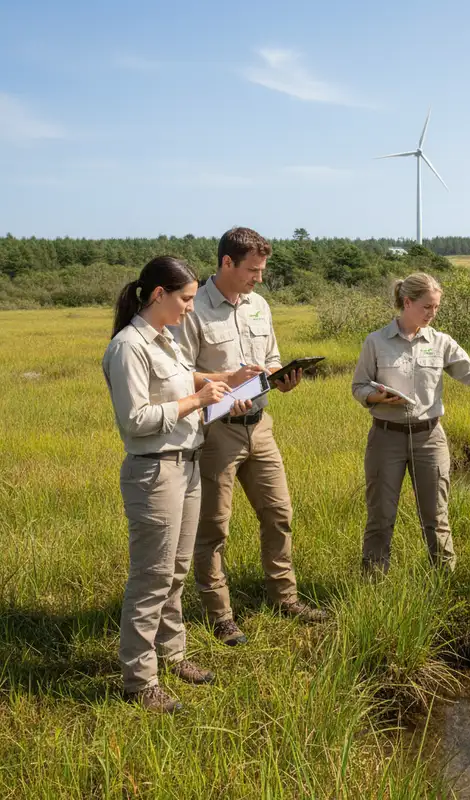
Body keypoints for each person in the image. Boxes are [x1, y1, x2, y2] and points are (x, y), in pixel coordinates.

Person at [179, 226, 327, 647]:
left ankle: (285, 599)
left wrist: (282, 377)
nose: (259, 279)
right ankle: (220, 616)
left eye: (262, 271)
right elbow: (178, 374)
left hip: (260, 427)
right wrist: (228, 378)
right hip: (216, 431)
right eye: (252, 270)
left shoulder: (259, 306)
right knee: (214, 527)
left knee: (279, 514)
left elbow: (271, 359)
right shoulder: (192, 308)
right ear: (227, 263)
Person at [103, 256, 239, 713]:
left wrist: (227, 384)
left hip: (187, 467)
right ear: (159, 294)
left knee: (176, 570)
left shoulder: (169, 339)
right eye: (185, 298)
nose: (190, 307)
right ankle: (140, 681)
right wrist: (197, 400)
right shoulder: (128, 347)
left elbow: (186, 382)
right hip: (154, 473)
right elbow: (136, 419)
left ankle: (173, 654)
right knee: (152, 577)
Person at [351, 272, 470, 574]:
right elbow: (359, 386)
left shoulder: (440, 342)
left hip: (429, 438)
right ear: (407, 302)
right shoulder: (376, 342)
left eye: (436, 307)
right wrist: (376, 397)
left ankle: (444, 579)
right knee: (380, 516)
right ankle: (373, 583)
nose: (432, 313)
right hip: (386, 438)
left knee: (436, 516)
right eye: (427, 307)